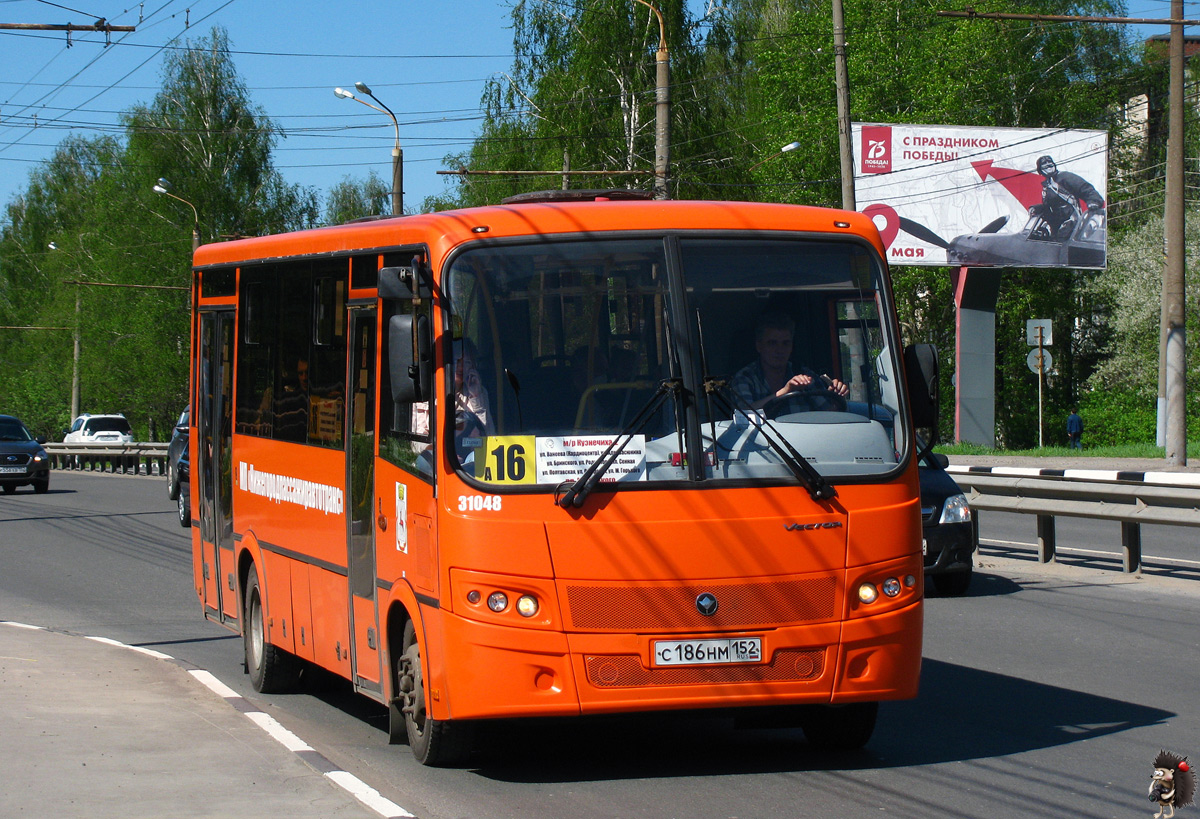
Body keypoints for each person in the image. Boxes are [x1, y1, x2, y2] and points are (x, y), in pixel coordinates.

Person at [731, 311, 849, 411]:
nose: (779, 350)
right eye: (772, 343)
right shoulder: (745, 378)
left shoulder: (805, 376)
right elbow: (745, 416)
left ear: (792, 346)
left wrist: (835, 396)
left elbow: (829, 414)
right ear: (759, 346)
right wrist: (786, 391)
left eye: (785, 343)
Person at [1029, 155, 1105, 241]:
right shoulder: (1047, 186)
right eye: (1044, 163)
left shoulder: (1065, 177)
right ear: (1040, 170)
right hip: (1056, 226)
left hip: (1071, 223)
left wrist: (1094, 201)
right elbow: (1049, 206)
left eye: (1050, 162)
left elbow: (1085, 188)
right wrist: (1037, 208)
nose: (1048, 164)